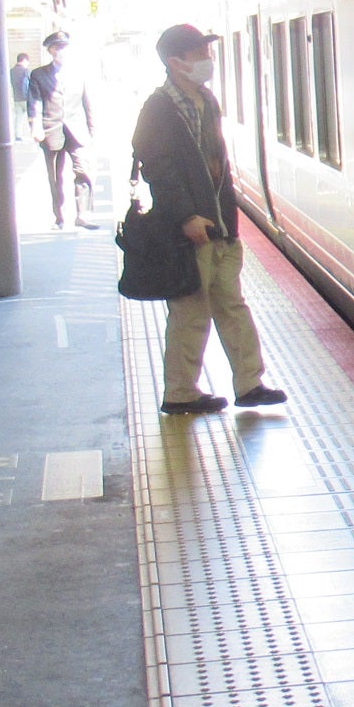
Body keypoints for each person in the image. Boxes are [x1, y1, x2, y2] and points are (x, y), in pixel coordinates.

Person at [132, 24, 286, 416]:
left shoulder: (204, 100)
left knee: (232, 305)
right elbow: (159, 170)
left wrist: (228, 224)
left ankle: (250, 384)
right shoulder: (159, 108)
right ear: (175, 62)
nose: (207, 59)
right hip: (190, 230)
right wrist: (186, 216)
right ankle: (181, 392)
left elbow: (218, 167)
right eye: (199, 52)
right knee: (191, 311)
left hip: (219, 225)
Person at [25, 31, 99, 229]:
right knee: (56, 177)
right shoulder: (39, 74)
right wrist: (36, 126)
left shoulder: (80, 73)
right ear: (51, 51)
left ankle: (83, 215)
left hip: (77, 130)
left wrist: (92, 130)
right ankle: (59, 217)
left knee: (83, 170)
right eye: (58, 48)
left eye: (65, 47)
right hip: (52, 130)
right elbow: (35, 102)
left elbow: (88, 102)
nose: (62, 51)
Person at [8, 52, 32, 140]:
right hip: (27, 98)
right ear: (24, 60)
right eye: (27, 62)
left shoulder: (11, 71)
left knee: (18, 118)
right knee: (32, 117)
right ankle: (34, 134)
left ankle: (18, 136)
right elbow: (32, 84)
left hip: (16, 98)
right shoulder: (26, 71)